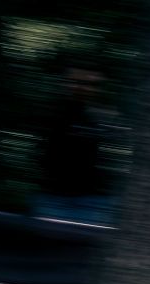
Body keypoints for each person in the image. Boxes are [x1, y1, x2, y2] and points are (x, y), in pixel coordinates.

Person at [32, 66, 117, 225]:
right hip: (53, 196)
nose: (81, 87)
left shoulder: (105, 115)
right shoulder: (52, 111)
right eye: (75, 82)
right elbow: (40, 151)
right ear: (65, 82)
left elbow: (111, 156)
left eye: (90, 84)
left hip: (94, 200)